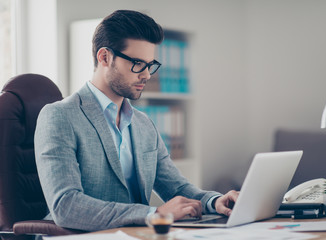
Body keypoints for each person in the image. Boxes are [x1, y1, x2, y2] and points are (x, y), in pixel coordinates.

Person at [35, 9, 239, 232]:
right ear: (104, 57)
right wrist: (155, 214)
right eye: (137, 63)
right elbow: (66, 206)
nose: (147, 75)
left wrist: (214, 201)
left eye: (150, 65)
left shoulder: (143, 123)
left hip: (137, 235)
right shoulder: (60, 116)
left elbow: (176, 187)